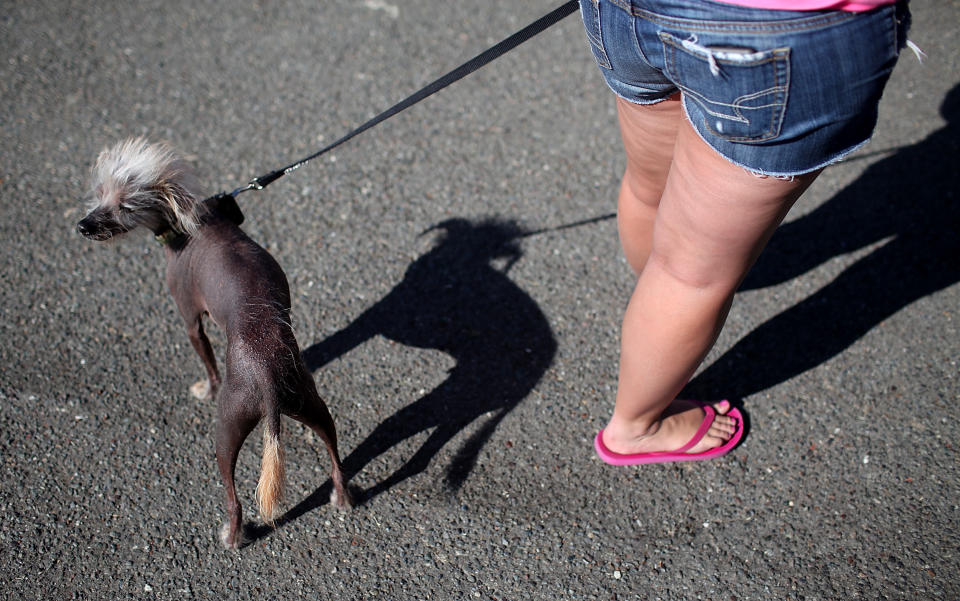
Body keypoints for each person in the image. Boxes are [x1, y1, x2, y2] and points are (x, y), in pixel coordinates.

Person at [578, 0, 911, 464]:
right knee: (690, 273)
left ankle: (654, 305)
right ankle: (635, 428)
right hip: (783, 24)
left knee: (648, 189)